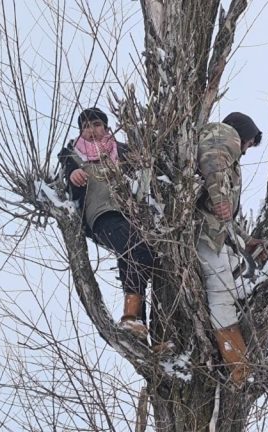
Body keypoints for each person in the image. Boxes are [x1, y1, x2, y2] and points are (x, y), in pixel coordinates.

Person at [58, 107, 154, 338]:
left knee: (139, 254)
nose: (91, 130)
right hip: (100, 215)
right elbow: (67, 170)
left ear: (106, 126)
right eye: (86, 127)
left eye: (96, 124)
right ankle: (131, 316)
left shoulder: (121, 151)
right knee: (133, 246)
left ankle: (136, 320)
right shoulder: (73, 154)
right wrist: (73, 175)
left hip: (129, 215)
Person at [196, 112, 268, 386]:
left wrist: (245, 239)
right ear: (244, 135)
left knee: (237, 286)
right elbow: (212, 164)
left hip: (214, 233)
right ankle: (238, 366)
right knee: (222, 296)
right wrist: (218, 199)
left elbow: (227, 217)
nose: (247, 151)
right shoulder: (224, 134)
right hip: (205, 234)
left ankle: (236, 358)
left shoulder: (224, 145)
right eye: (250, 144)